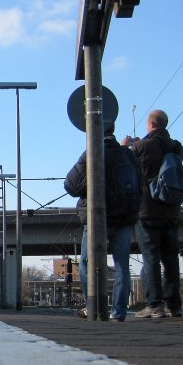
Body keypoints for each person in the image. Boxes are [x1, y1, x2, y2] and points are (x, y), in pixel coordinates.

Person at [65, 121, 141, 321]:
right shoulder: (127, 154)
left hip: (98, 217)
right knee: (122, 265)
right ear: (113, 129)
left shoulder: (92, 152)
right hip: (123, 217)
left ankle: (92, 306)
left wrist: (89, 185)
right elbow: (139, 185)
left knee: (86, 262)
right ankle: (119, 312)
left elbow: (71, 185)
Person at [123, 109, 183, 318]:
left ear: (150, 125)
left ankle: (154, 304)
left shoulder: (141, 147)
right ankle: (174, 305)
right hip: (171, 210)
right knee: (171, 259)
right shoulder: (176, 147)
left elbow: (126, 166)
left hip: (147, 210)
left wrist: (126, 146)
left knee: (151, 258)